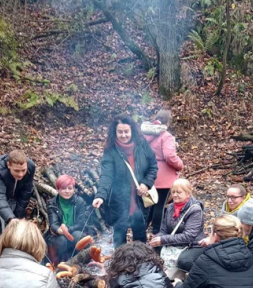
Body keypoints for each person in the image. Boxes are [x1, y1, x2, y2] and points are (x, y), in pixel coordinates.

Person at [92, 115, 158, 248]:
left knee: (140, 237)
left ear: (132, 130)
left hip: (140, 200)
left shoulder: (142, 144)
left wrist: (146, 183)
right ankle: (120, 266)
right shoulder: (111, 150)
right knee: (120, 238)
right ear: (115, 132)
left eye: (126, 131)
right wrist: (100, 196)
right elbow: (106, 176)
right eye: (120, 132)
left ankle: (141, 263)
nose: (123, 135)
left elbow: (153, 167)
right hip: (119, 202)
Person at [0, 149, 36, 248]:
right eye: (17, 171)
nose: (21, 174)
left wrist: (19, 216)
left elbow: (25, 192)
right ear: (9, 165)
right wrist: (10, 218)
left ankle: (12, 254)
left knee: (14, 227)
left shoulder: (30, 167)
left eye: (23, 170)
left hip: (12, 196)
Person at [148, 179, 205, 273]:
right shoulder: (171, 207)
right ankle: (158, 275)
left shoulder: (195, 209)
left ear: (188, 193)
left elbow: (189, 236)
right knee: (150, 251)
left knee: (184, 261)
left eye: (178, 192)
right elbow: (164, 229)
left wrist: (163, 240)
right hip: (174, 241)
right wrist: (157, 237)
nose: (174, 195)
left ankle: (189, 279)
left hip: (192, 245)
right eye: (173, 192)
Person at [142, 109, 184, 235]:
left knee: (149, 202)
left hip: (147, 171)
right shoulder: (166, 136)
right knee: (160, 204)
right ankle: (157, 231)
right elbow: (169, 156)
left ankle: (142, 229)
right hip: (163, 175)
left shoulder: (145, 133)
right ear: (168, 122)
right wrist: (180, 164)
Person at [45, 174, 94, 264]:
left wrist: (68, 229)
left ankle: (80, 262)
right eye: (63, 188)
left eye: (70, 188)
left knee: (78, 236)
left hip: (75, 231)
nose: (67, 191)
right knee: (61, 240)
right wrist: (59, 230)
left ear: (74, 189)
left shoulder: (80, 202)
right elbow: (53, 224)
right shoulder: (52, 203)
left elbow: (81, 223)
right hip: (58, 234)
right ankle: (57, 264)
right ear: (58, 189)